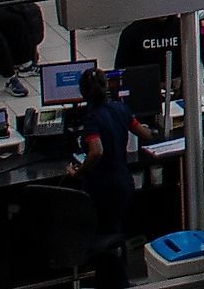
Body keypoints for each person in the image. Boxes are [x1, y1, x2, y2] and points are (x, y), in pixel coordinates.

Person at [69, 68, 143, 289]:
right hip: (124, 184)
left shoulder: (92, 118)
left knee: (103, 241)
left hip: (103, 190)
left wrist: (79, 171)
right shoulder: (121, 109)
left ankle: (115, 282)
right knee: (115, 235)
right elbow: (144, 133)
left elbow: (96, 151)